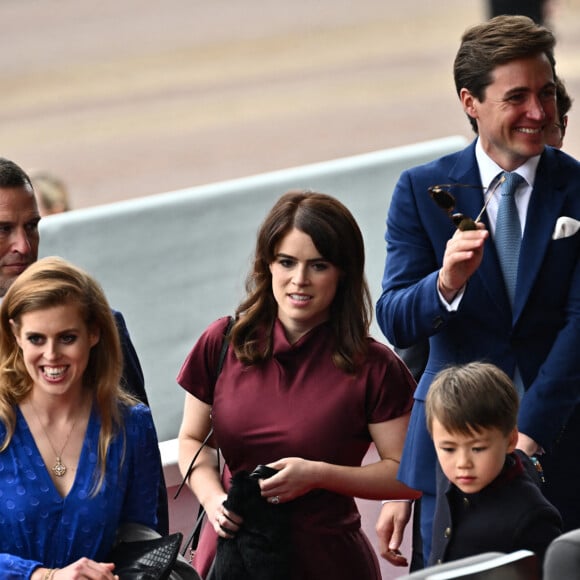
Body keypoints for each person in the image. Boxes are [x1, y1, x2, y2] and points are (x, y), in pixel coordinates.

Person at [375, 14, 580, 566]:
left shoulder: (578, 189)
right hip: (447, 468)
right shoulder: (420, 190)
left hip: (559, 449)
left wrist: (528, 439)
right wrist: (444, 284)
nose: (539, 112)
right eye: (518, 97)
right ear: (471, 102)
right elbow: (393, 320)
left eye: (546, 94)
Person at [177, 190, 421, 579]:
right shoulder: (222, 342)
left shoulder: (375, 366)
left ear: (343, 273)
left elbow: (408, 475)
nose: (299, 280)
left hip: (328, 564)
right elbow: (190, 439)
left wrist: (319, 475)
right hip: (230, 557)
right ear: (266, 266)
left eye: (318, 265)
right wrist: (213, 499)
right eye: (286, 262)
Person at [0, 156, 169, 534]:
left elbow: (146, 504)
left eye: (31, 227)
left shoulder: (103, 328)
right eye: (3, 229)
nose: (23, 246)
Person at [0, 256, 162, 579]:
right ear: (16, 335)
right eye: (36, 339)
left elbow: (144, 548)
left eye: (67, 338)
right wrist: (43, 576)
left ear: (94, 334)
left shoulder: (131, 426)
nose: (51, 355)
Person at [425, 362, 562, 570]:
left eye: (478, 448)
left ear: (510, 440)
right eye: (448, 449)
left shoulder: (534, 517)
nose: (463, 463)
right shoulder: (447, 472)